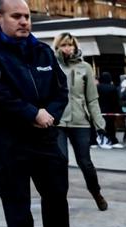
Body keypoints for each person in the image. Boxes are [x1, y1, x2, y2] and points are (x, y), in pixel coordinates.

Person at [0, 0, 87, 227]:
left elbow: (61, 91)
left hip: (44, 136)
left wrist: (49, 116)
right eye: (16, 16)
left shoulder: (43, 51)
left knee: (57, 193)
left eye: (27, 16)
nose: (24, 21)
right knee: (16, 197)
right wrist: (31, 113)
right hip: (8, 139)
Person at [52, 32, 108, 211]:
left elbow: (92, 98)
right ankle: (60, 199)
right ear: (57, 47)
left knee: (85, 162)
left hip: (80, 121)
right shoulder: (51, 66)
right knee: (60, 162)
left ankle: (96, 192)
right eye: (64, 45)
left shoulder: (85, 67)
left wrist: (99, 124)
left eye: (71, 45)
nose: (68, 48)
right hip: (58, 121)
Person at [97, 72, 122, 148]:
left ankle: (101, 139)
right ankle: (112, 139)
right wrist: (118, 110)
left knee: (100, 126)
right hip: (110, 110)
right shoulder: (113, 87)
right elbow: (115, 101)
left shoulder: (97, 87)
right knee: (110, 126)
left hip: (99, 109)